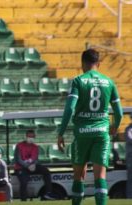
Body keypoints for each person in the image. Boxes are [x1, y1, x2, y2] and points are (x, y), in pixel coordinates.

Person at [57, 49, 123, 205]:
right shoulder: (109, 82)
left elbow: (70, 109)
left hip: (82, 133)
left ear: (82, 64)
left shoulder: (78, 81)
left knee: (79, 176)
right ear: (99, 64)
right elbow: (119, 113)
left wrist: (61, 133)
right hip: (101, 133)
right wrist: (115, 126)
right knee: (100, 177)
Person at [14, 130, 55, 201]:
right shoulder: (19, 145)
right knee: (24, 181)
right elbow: (18, 159)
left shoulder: (35, 147)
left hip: (32, 167)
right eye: (29, 136)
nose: (31, 138)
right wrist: (27, 166)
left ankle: (48, 193)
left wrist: (34, 165)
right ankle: (23, 200)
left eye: (32, 136)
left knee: (46, 171)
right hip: (21, 168)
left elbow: (36, 159)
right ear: (26, 136)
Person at [125, 113, 132, 198]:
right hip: (131, 159)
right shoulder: (129, 129)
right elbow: (130, 140)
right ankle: (130, 197)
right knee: (130, 180)